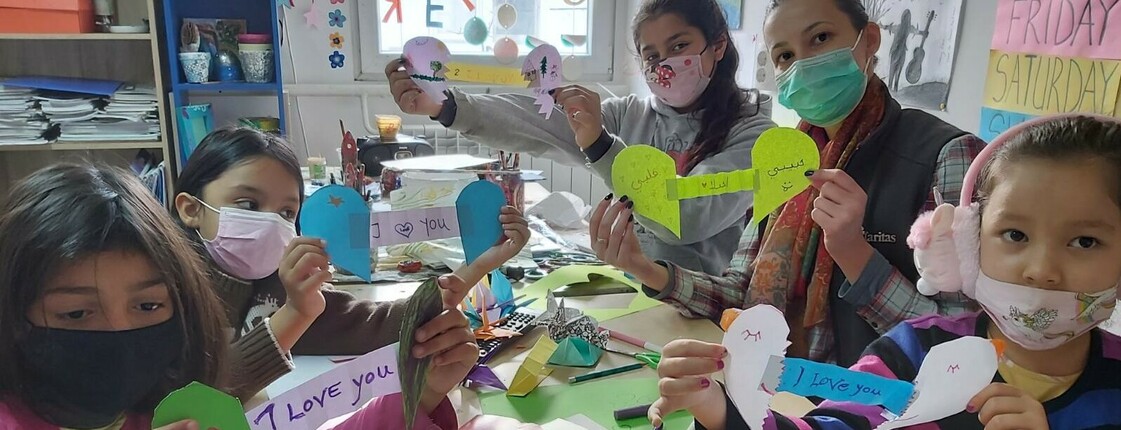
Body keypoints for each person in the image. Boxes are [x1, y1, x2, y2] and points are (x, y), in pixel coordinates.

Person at [649, 115, 1121, 430]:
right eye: (1015, 235)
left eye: (1085, 241)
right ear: (966, 245)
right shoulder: (913, 352)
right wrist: (725, 412)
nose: (1040, 271)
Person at [591, 0, 982, 366]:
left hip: (869, 406)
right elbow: (742, 294)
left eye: (821, 38)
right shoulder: (786, 160)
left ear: (870, 41)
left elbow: (958, 342)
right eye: (785, 56)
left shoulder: (947, 156)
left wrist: (855, 254)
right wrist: (644, 268)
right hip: (779, 386)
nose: (804, 64)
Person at [0, 164, 489, 430]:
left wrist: (419, 396)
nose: (119, 332)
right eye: (77, 312)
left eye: (148, 306)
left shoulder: (167, 401)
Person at [385, 0, 775, 276]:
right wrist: (447, 106)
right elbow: (538, 124)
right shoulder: (629, 113)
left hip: (694, 306)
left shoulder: (753, 134)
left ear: (718, 45)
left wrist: (603, 147)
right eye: (651, 55)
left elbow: (685, 219)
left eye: (679, 46)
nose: (664, 65)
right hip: (621, 289)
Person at [172, 127, 530, 397]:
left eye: (286, 212)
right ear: (191, 209)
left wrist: (480, 264)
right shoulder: (162, 297)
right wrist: (295, 314)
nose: (269, 223)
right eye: (248, 205)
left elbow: (377, 325)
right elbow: (202, 395)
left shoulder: (283, 286)